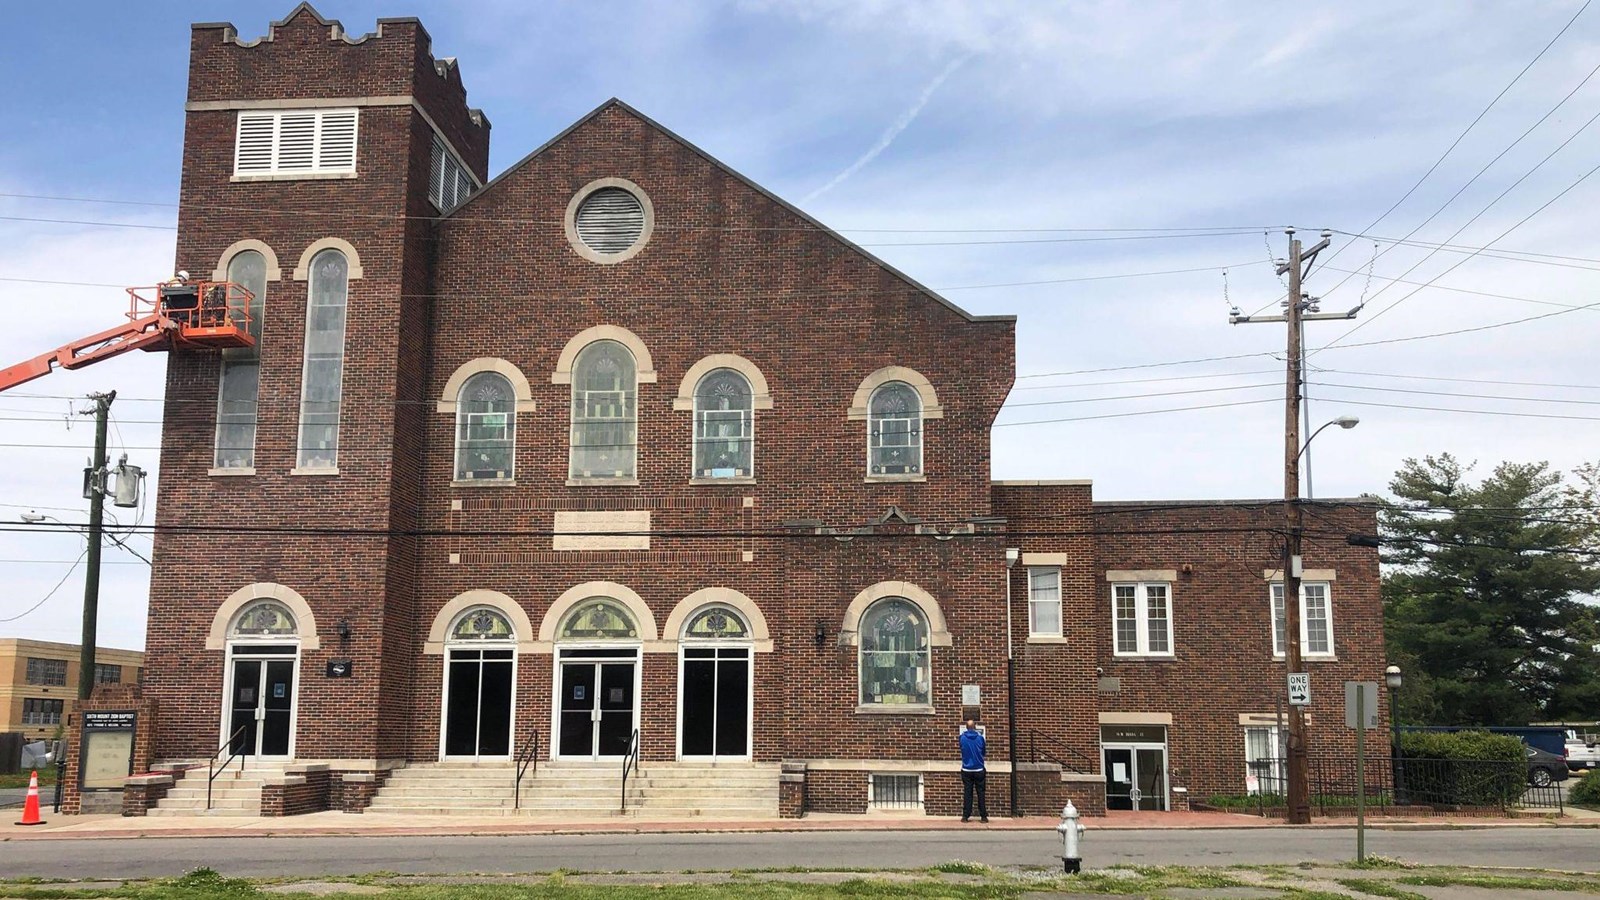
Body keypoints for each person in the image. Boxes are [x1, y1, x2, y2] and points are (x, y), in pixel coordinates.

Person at [959, 717, 989, 823]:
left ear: (966, 728)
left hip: (966, 769)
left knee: (968, 792)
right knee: (981, 793)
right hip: (979, 768)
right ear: (975, 727)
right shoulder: (980, 738)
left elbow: (961, 749)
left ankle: (965, 816)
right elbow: (984, 752)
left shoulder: (962, 738)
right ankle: (983, 816)